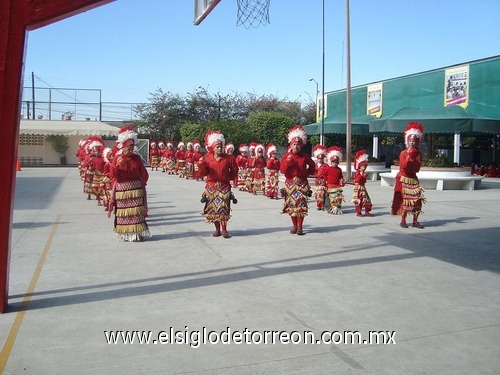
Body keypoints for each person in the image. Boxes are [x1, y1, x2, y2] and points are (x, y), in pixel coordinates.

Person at [110, 125, 151, 242]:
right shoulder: (117, 158)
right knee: (124, 213)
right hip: (122, 190)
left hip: (136, 189)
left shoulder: (136, 158)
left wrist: (142, 183)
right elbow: (113, 175)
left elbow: (144, 172)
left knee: (137, 211)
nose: (131, 150)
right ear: (123, 147)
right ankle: (125, 234)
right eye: (129, 147)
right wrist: (118, 166)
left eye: (132, 147)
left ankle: (137, 233)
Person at [196, 130, 238, 238]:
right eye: (217, 147)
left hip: (224, 186)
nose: (220, 149)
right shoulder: (207, 159)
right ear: (212, 148)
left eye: (221, 146)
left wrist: (232, 180)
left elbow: (234, 171)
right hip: (211, 187)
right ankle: (217, 230)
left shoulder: (228, 159)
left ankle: (224, 230)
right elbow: (203, 173)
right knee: (214, 210)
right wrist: (201, 166)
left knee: (223, 209)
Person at [280, 125, 316, 235]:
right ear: (291, 145)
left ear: (301, 146)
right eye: (294, 144)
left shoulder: (305, 156)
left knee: (301, 206)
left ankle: (300, 227)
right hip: (290, 184)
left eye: (298, 145)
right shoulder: (286, 156)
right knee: (291, 206)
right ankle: (294, 226)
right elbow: (282, 170)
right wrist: (288, 163)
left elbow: (312, 165)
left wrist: (306, 173)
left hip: (302, 184)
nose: (296, 146)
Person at [391, 121, 426, 228]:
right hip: (404, 178)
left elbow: (417, 168)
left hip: (413, 179)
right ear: (407, 141)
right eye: (410, 141)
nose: (412, 143)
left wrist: (413, 158)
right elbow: (404, 167)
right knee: (405, 200)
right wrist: (409, 157)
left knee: (417, 200)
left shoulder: (418, 154)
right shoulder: (403, 153)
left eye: (414, 141)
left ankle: (415, 221)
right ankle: (403, 220)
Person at [321, 146, 345, 214]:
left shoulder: (339, 169)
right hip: (330, 185)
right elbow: (323, 174)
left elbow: (341, 176)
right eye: (333, 162)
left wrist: (342, 180)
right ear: (331, 162)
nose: (335, 164)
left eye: (336, 162)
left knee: (338, 197)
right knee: (330, 197)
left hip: (337, 186)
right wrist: (326, 180)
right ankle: (329, 208)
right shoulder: (328, 168)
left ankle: (337, 208)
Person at [351, 150, 373, 216]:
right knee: (359, 200)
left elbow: (364, 181)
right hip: (358, 189)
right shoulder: (357, 173)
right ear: (360, 166)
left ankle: (367, 211)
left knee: (366, 199)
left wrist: (364, 177)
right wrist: (362, 177)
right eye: (363, 167)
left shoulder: (364, 173)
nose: (364, 168)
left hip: (363, 188)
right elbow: (358, 180)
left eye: (365, 167)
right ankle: (359, 212)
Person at [312, 144, 328, 210]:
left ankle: (322, 205)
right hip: (317, 181)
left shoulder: (326, 166)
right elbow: (313, 172)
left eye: (321, 159)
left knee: (322, 193)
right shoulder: (315, 165)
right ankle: (318, 205)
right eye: (319, 159)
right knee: (317, 194)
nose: (320, 160)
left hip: (323, 181)